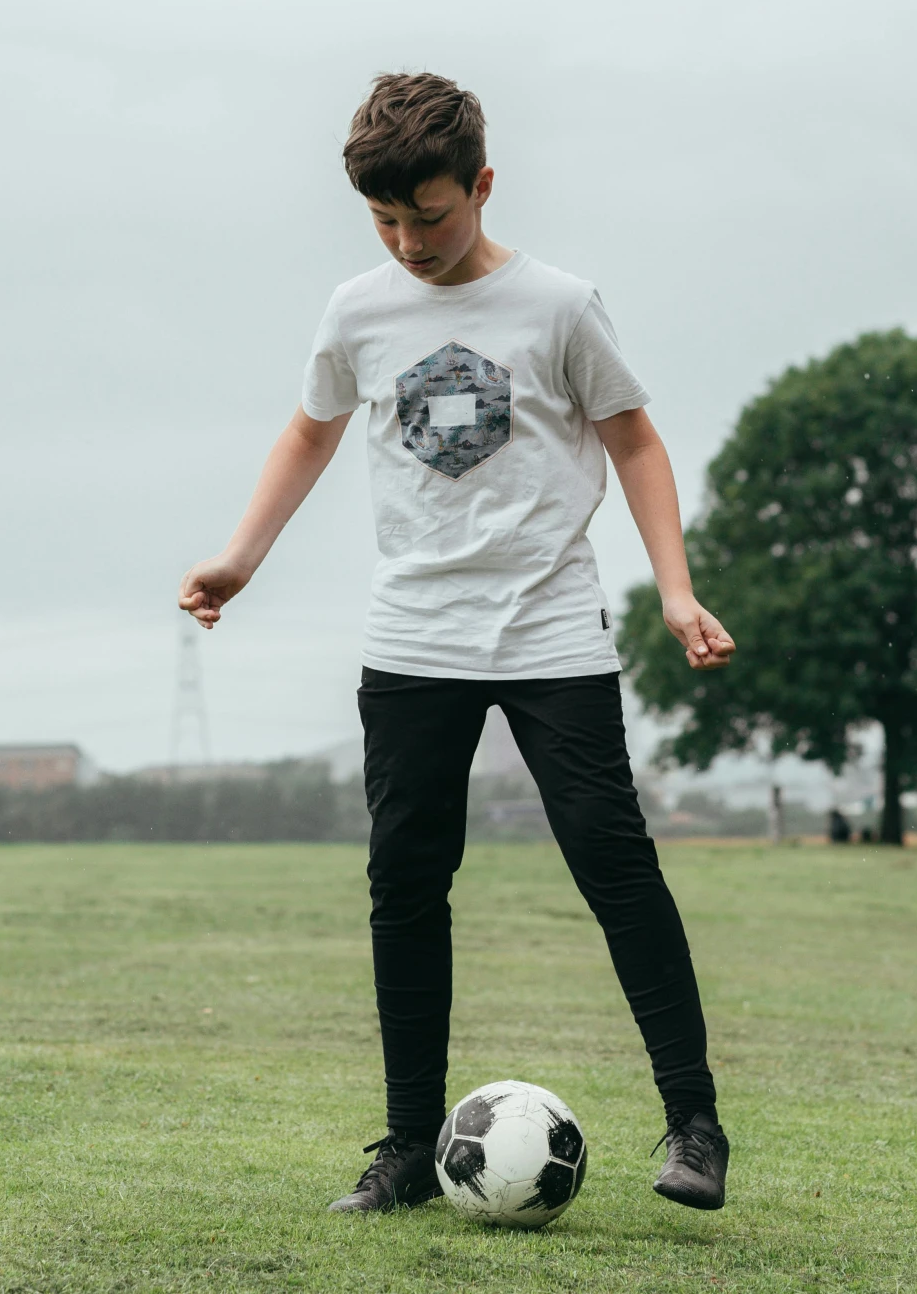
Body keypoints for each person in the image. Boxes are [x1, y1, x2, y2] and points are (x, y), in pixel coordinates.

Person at [177, 72, 737, 1215]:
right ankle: (402, 1147)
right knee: (406, 884)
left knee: (613, 864)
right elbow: (308, 430)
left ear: (481, 184)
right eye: (386, 221)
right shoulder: (358, 311)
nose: (409, 241)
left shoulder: (561, 305)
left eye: (429, 215)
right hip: (414, 635)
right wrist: (242, 556)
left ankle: (695, 1124)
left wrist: (675, 589)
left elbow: (635, 440)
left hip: (547, 629)